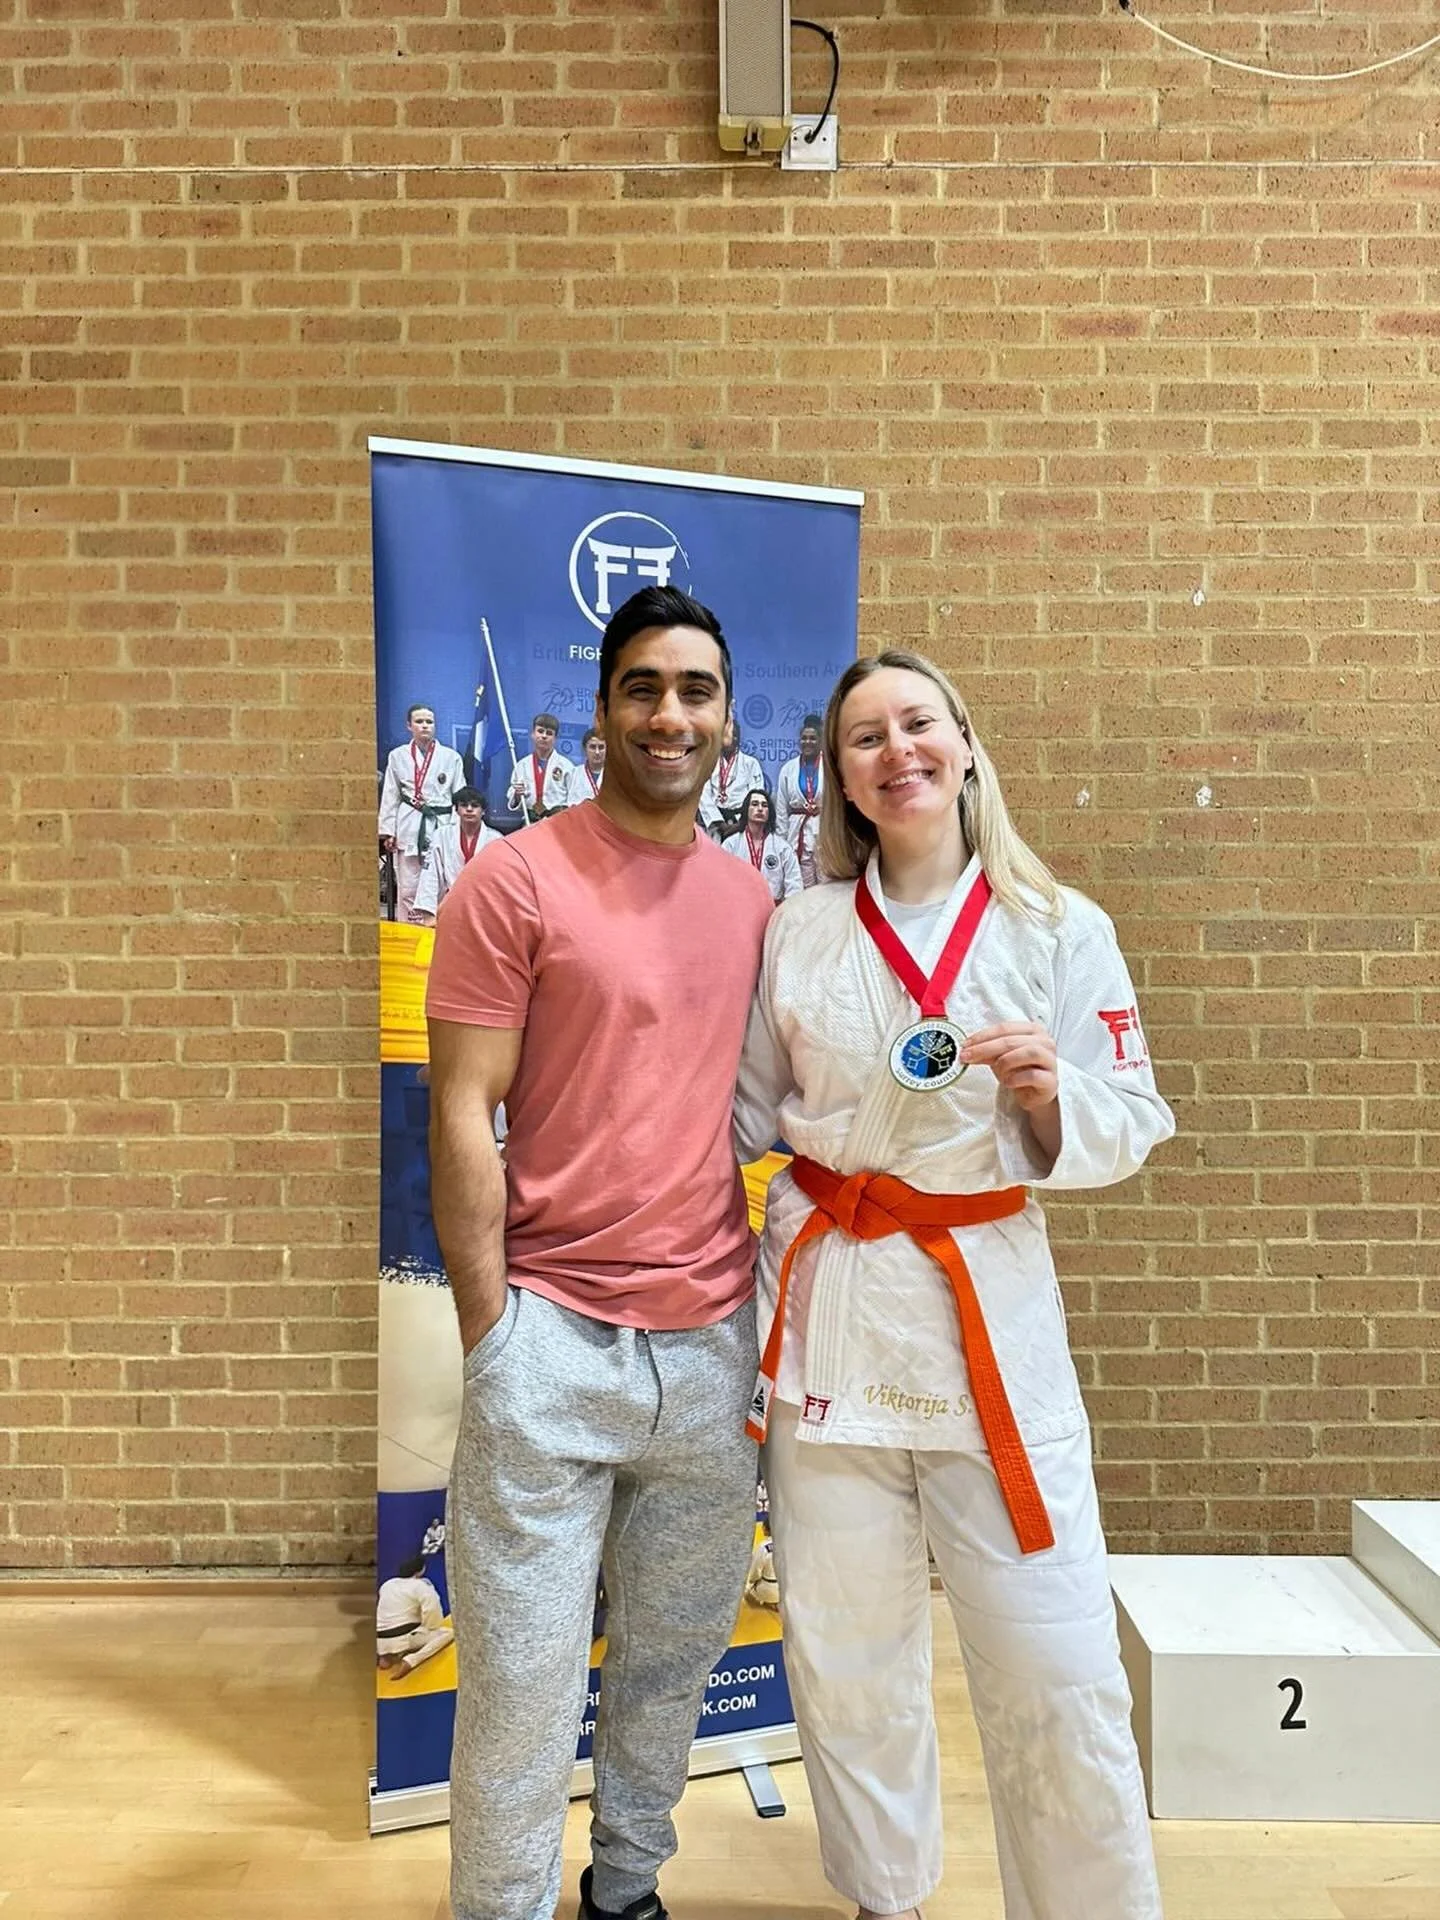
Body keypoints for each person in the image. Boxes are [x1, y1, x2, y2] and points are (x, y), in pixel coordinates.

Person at [734, 650, 1174, 1920]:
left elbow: (1132, 1115)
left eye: (918, 724)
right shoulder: (803, 930)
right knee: (847, 1651)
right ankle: (887, 1898)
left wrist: (1053, 1099)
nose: (897, 751)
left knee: (1056, 1659)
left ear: (966, 745)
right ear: (842, 781)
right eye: (864, 738)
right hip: (833, 1321)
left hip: (986, 1311)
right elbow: (749, 1115)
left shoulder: (1056, 925)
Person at [426, 584, 775, 1920]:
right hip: (550, 1346)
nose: (670, 713)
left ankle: (624, 1890)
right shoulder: (511, 878)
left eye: (696, 690)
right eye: (644, 688)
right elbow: (463, 1108)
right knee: (519, 1691)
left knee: (668, 1672)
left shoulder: (755, 902)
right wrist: (489, 1337)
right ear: (601, 711)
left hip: (706, 1353)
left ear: (727, 723)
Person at [379, 703, 467, 922]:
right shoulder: (397, 756)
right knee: (408, 884)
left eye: (429, 722)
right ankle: (409, 930)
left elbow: (460, 795)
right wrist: (388, 831)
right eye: (419, 721)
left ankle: (440, 928)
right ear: (409, 726)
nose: (425, 726)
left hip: (441, 823)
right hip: (409, 822)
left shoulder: (451, 757)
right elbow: (391, 793)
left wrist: (457, 830)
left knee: (441, 880)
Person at [412, 787, 500, 925]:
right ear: (456, 809)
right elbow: (430, 874)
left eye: (475, 806)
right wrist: (428, 912)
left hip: (484, 905)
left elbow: (500, 880)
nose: (469, 809)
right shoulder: (441, 836)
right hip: (450, 903)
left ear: (483, 811)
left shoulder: (495, 839)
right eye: (464, 805)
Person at [375, 1552, 455, 1680]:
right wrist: (429, 1627)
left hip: (380, 1639)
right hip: (405, 1637)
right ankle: (412, 1660)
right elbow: (432, 1612)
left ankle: (385, 1656)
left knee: (401, 1626)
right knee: (448, 1633)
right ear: (421, 1570)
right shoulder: (421, 1586)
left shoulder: (387, 1584)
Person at [721, 789, 802, 903]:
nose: (760, 808)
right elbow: (721, 879)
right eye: (754, 804)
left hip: (773, 909)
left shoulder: (782, 848)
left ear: (770, 813)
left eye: (764, 805)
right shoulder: (730, 845)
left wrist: (785, 913)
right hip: (739, 906)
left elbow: (795, 885)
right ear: (746, 810)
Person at [775, 712, 825, 886]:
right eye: (804, 738)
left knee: (828, 885)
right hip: (797, 833)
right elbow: (781, 810)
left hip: (823, 830)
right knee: (802, 886)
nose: (807, 742)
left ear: (820, 741)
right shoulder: (788, 768)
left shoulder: (831, 768)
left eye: (812, 738)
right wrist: (782, 842)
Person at [699, 716, 765, 839]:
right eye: (726, 735)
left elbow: (756, 795)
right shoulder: (708, 762)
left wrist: (741, 823)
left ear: (739, 739)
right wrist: (720, 823)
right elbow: (703, 794)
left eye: (734, 735)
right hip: (716, 824)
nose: (730, 739)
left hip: (741, 822)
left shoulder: (750, 763)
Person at [506, 710, 575, 819]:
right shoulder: (522, 765)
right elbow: (512, 796)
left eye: (549, 733)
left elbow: (573, 797)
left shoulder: (566, 766)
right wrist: (517, 795)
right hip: (531, 820)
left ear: (555, 738)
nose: (544, 736)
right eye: (540, 731)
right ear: (533, 734)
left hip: (557, 821)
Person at [566, 725, 607, 806]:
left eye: (601, 747)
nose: (597, 752)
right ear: (585, 749)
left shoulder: (615, 776)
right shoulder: (573, 774)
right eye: (592, 747)